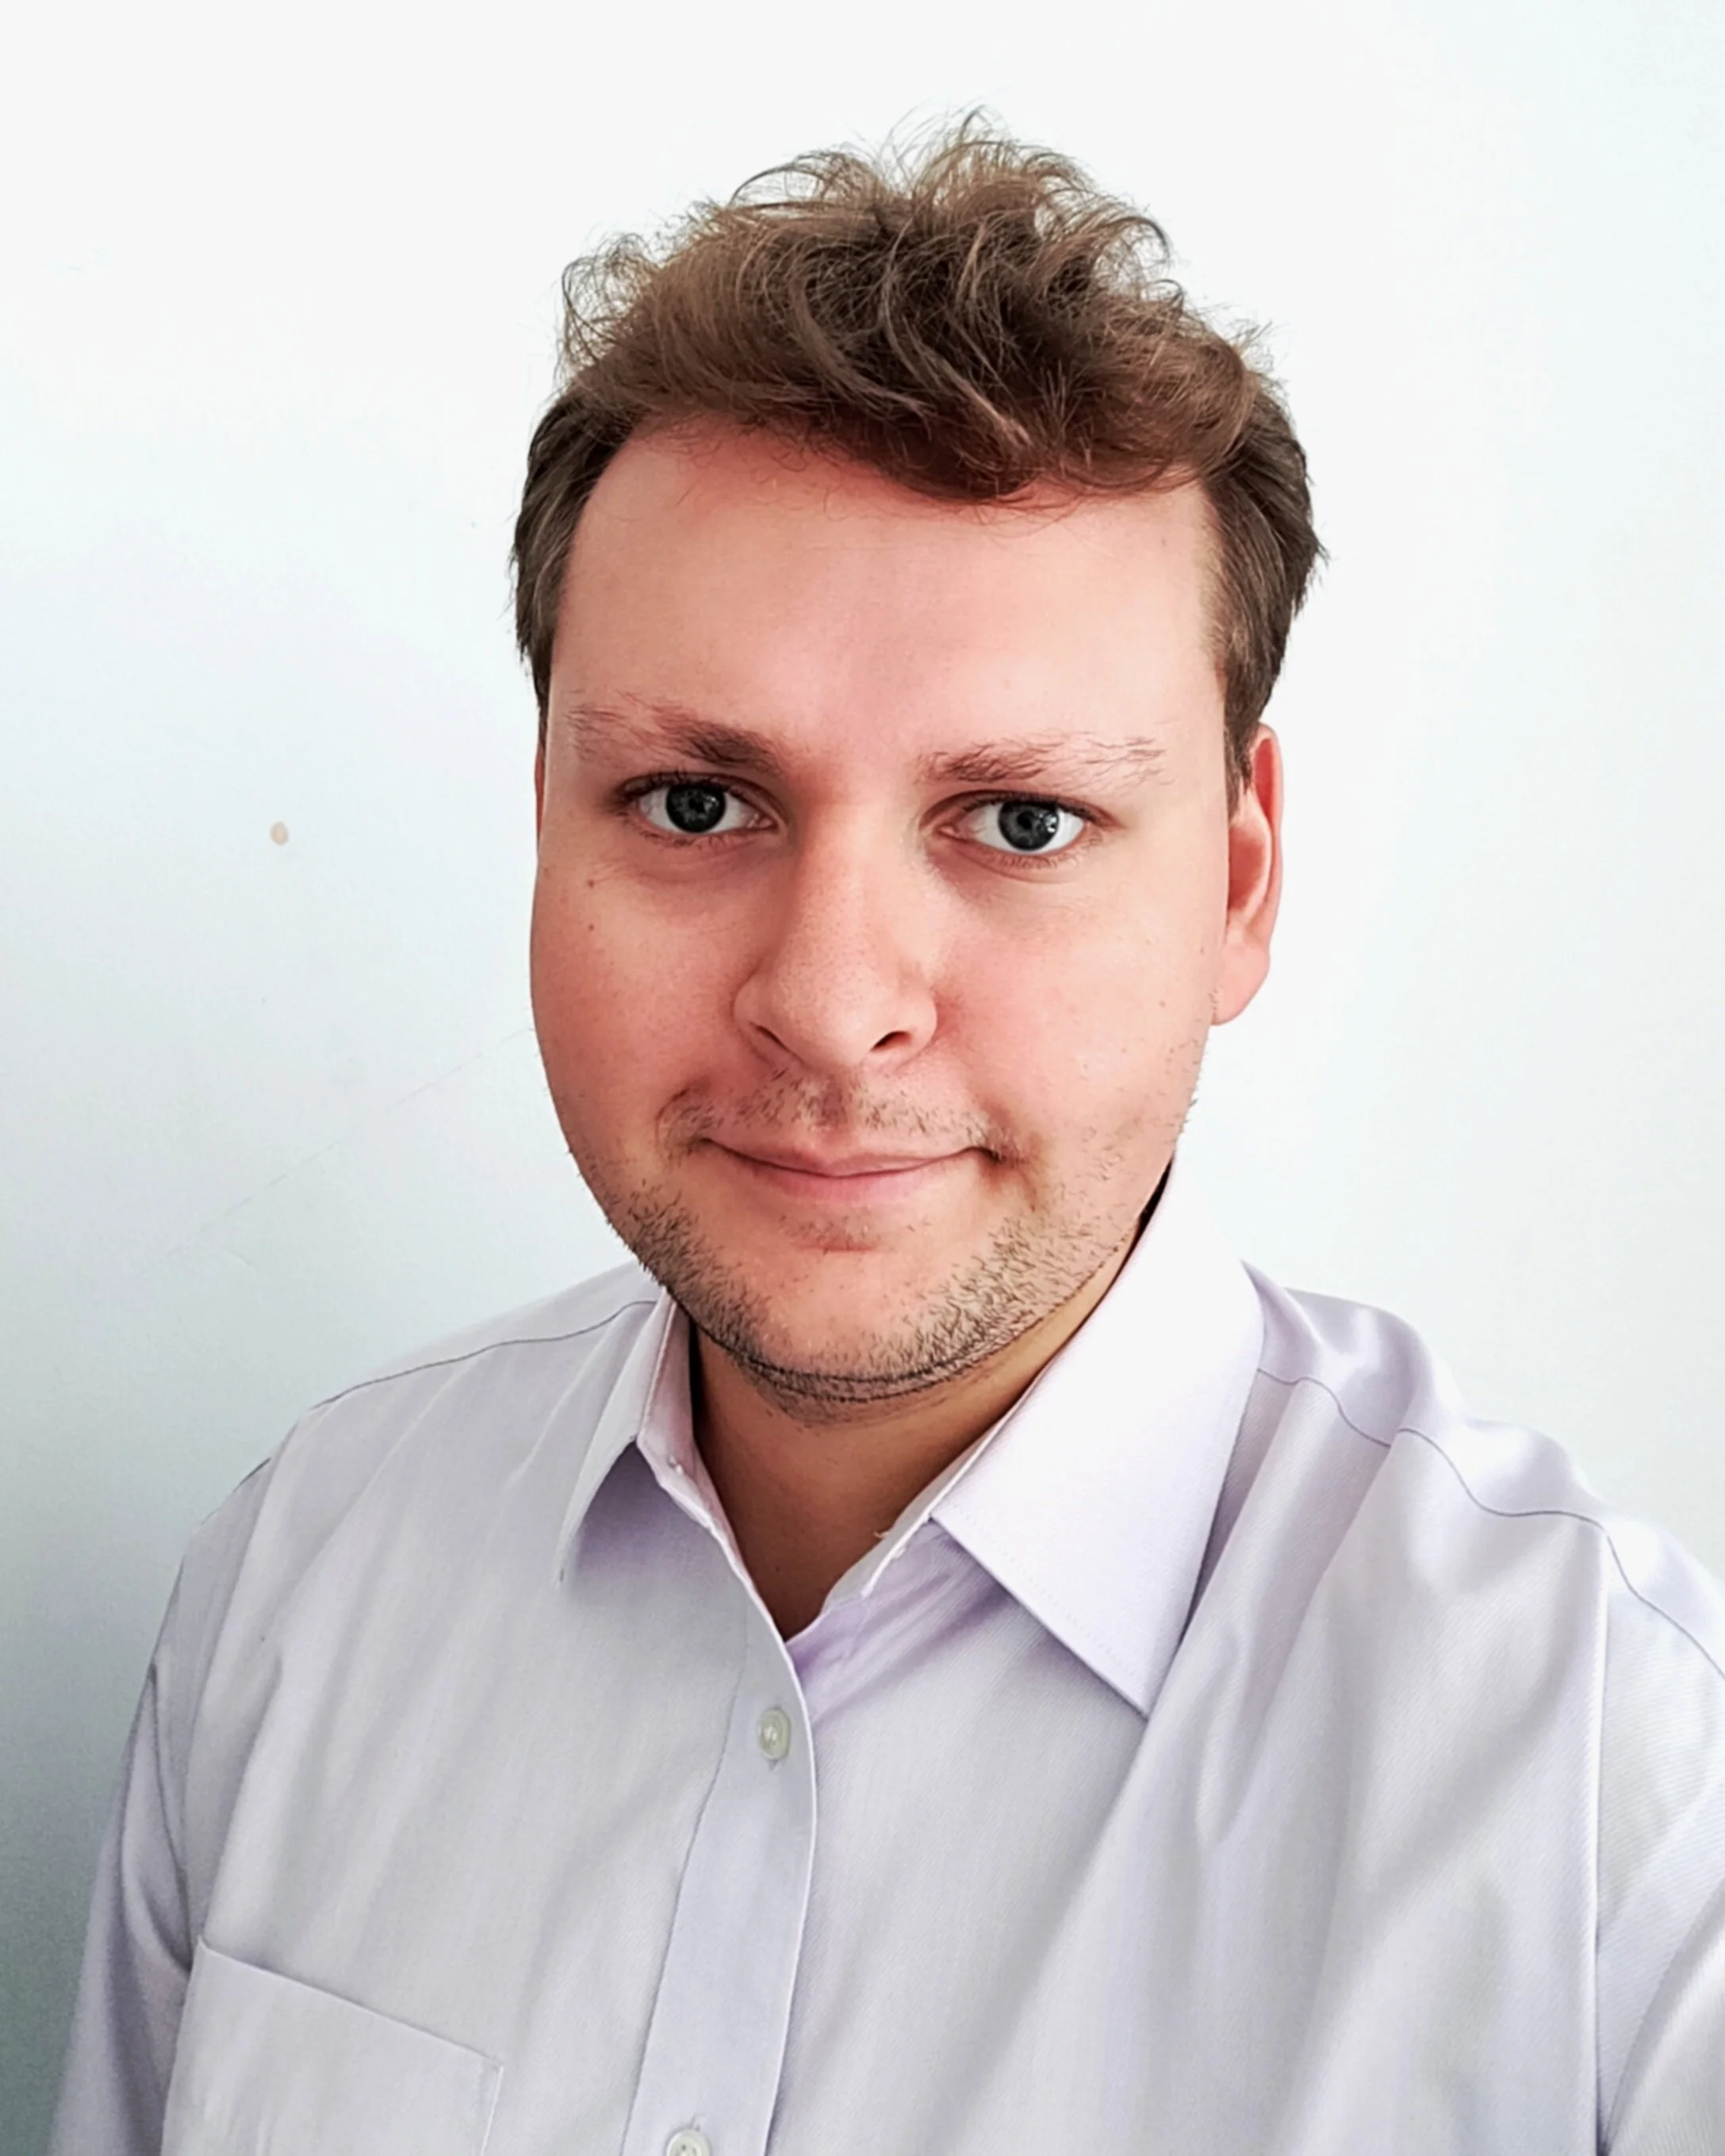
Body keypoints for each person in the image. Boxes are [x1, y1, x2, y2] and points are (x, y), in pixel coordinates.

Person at [49, 122, 1725, 2155]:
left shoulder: (1617, 1811)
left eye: (1019, 821)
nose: (834, 1001)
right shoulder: (304, 1583)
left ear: (1238, 882)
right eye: (691, 803)